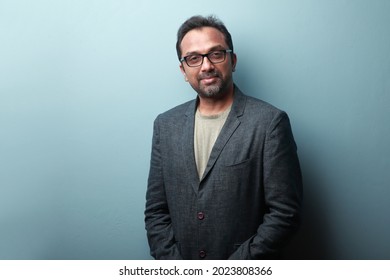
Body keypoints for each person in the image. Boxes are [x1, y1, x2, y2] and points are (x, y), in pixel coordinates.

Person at [144, 15, 303, 260]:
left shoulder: (269, 123)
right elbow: (156, 212)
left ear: (233, 60)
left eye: (216, 54)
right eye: (193, 58)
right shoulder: (165, 126)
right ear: (183, 70)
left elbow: (284, 214)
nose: (206, 65)